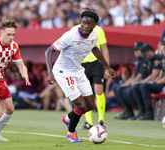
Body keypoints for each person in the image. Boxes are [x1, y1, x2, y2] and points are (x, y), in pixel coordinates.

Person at [45, 10, 116, 143]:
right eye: (84, 22)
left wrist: (108, 67)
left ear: (94, 25)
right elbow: (49, 50)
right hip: (63, 72)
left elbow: (95, 49)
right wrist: (50, 72)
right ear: (81, 22)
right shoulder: (70, 36)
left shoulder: (94, 36)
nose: (85, 26)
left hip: (78, 71)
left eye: (89, 23)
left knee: (90, 105)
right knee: (80, 105)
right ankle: (71, 132)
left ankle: (68, 118)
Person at [71, 7, 110, 129]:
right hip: (81, 65)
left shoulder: (98, 30)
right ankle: (88, 122)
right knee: (84, 93)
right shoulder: (74, 30)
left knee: (99, 92)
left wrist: (108, 67)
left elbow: (104, 49)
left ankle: (101, 120)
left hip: (96, 63)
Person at [114, 42, 148, 119]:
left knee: (127, 91)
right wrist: (126, 83)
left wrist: (129, 84)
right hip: (136, 83)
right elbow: (134, 76)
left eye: (137, 50)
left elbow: (140, 76)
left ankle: (141, 110)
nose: (135, 52)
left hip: (140, 83)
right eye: (134, 50)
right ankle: (127, 111)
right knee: (117, 88)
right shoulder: (138, 61)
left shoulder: (144, 61)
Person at [131, 44, 163, 120]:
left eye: (145, 55)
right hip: (156, 82)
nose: (145, 57)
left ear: (149, 51)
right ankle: (142, 112)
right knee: (136, 87)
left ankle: (149, 113)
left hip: (161, 84)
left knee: (144, 86)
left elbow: (155, 74)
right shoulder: (149, 60)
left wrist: (152, 82)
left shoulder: (159, 58)